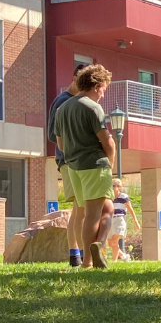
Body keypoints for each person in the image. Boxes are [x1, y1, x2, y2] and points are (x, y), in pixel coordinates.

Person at [51, 64, 117, 270]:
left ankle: (99, 245)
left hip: (74, 168)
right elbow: (108, 142)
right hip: (95, 165)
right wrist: (111, 165)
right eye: (104, 89)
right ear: (96, 85)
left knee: (107, 209)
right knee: (93, 215)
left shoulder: (62, 108)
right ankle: (88, 261)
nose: (103, 95)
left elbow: (60, 144)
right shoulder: (92, 107)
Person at [47, 63, 86, 266]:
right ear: (73, 77)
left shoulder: (83, 101)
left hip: (79, 160)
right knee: (80, 207)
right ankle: (78, 255)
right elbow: (52, 134)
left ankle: (77, 255)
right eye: (81, 79)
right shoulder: (62, 101)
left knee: (80, 208)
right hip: (67, 159)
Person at [106, 179, 134, 260]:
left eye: (117, 185)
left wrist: (135, 222)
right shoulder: (109, 198)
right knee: (111, 244)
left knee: (115, 242)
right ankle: (124, 257)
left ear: (120, 187)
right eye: (113, 185)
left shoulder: (124, 197)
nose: (115, 187)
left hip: (119, 220)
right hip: (110, 220)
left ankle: (114, 262)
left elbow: (130, 209)